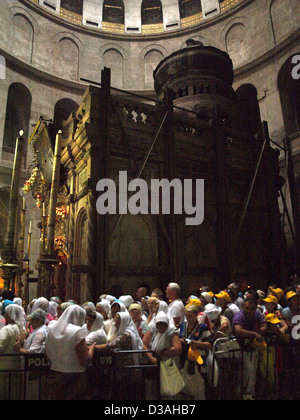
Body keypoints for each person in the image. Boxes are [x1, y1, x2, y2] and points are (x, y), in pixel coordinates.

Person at [45, 305, 95, 400]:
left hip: (55, 374)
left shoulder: (51, 329)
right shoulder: (77, 331)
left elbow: (47, 355)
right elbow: (84, 360)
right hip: (74, 376)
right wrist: (92, 348)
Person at [95, 312, 144, 399]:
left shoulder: (126, 335)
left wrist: (92, 347)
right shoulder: (124, 332)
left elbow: (111, 346)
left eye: (118, 323)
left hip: (126, 369)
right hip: (122, 368)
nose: (115, 325)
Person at [233, 299, 267, 400]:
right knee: (242, 373)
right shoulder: (239, 315)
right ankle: (242, 394)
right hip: (239, 349)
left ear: (255, 308)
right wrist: (254, 333)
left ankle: (248, 394)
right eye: (247, 308)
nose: (249, 311)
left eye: (251, 309)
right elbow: (238, 330)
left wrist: (255, 331)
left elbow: (264, 327)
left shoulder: (256, 314)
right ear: (244, 307)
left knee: (251, 372)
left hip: (252, 349)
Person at [179, 304, 212, 400]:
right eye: (186, 315)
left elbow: (209, 344)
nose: (188, 318)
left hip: (198, 360)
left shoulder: (203, 328)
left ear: (196, 315)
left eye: (190, 316)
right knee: (184, 385)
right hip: (184, 358)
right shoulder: (182, 326)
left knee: (199, 386)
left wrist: (196, 343)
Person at [0, 304, 26, 400]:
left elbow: (1, 347)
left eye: (6, 314)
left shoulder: (7, 329)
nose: (5, 316)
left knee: (4, 392)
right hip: (16, 365)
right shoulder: (21, 329)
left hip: (5, 366)